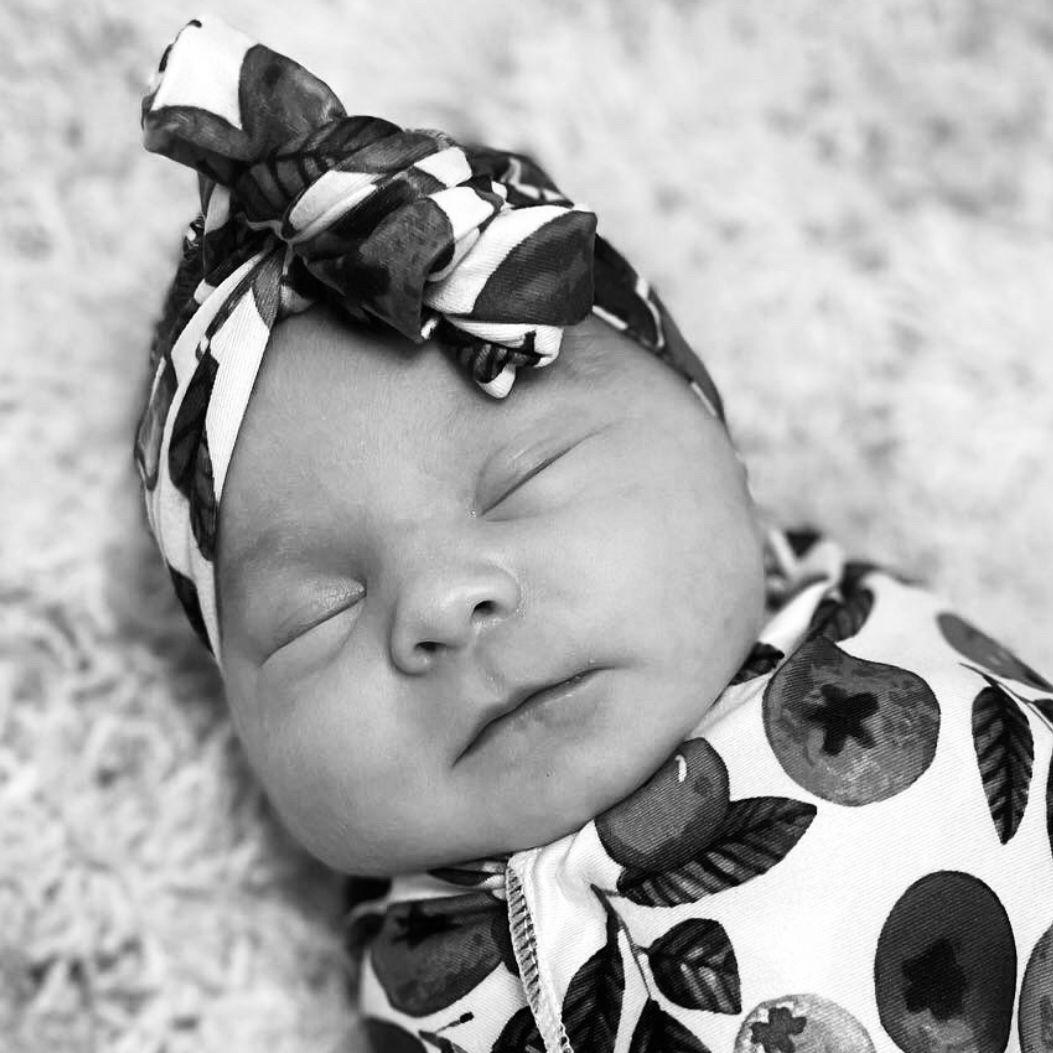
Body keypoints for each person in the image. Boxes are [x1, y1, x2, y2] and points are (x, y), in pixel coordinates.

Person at [135, 17, 1053, 1053]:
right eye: (318, 613)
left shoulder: (929, 709)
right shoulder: (417, 987)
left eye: (524, 477)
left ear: (721, 455)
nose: (442, 600)